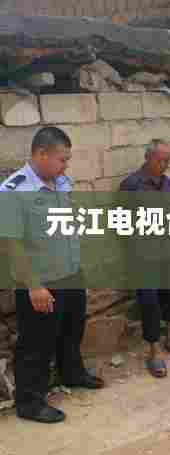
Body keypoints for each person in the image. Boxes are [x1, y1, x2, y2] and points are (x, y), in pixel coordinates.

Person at [0, 127, 104, 424]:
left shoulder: (61, 182)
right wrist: (34, 286)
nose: (66, 166)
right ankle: (30, 403)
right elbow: (11, 244)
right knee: (36, 344)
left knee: (72, 329)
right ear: (41, 154)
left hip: (71, 274)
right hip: (40, 282)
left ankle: (72, 373)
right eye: (62, 159)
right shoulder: (14, 190)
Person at [119, 139, 170, 379]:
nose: (165, 164)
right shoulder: (131, 185)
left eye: (168, 160)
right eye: (161, 160)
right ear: (148, 158)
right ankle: (154, 351)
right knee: (149, 301)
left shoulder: (167, 183)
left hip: (167, 250)